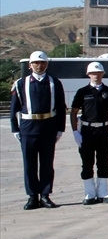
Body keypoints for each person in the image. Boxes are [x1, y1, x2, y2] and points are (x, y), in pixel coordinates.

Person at [10, 51, 66, 209]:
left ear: (47, 64)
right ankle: (32, 196)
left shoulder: (54, 83)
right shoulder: (21, 83)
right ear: (30, 65)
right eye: (35, 63)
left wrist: (60, 128)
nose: (39, 65)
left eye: (42, 63)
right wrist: (15, 128)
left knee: (47, 163)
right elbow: (14, 108)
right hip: (28, 128)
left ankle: (45, 195)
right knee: (29, 164)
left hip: (48, 126)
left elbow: (61, 107)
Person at [70, 61, 108, 204]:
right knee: (87, 162)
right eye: (93, 73)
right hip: (87, 131)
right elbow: (73, 112)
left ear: (103, 74)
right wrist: (75, 132)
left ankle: (103, 193)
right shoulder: (82, 92)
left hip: (104, 130)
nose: (96, 75)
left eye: (99, 73)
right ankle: (89, 194)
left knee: (103, 162)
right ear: (88, 75)